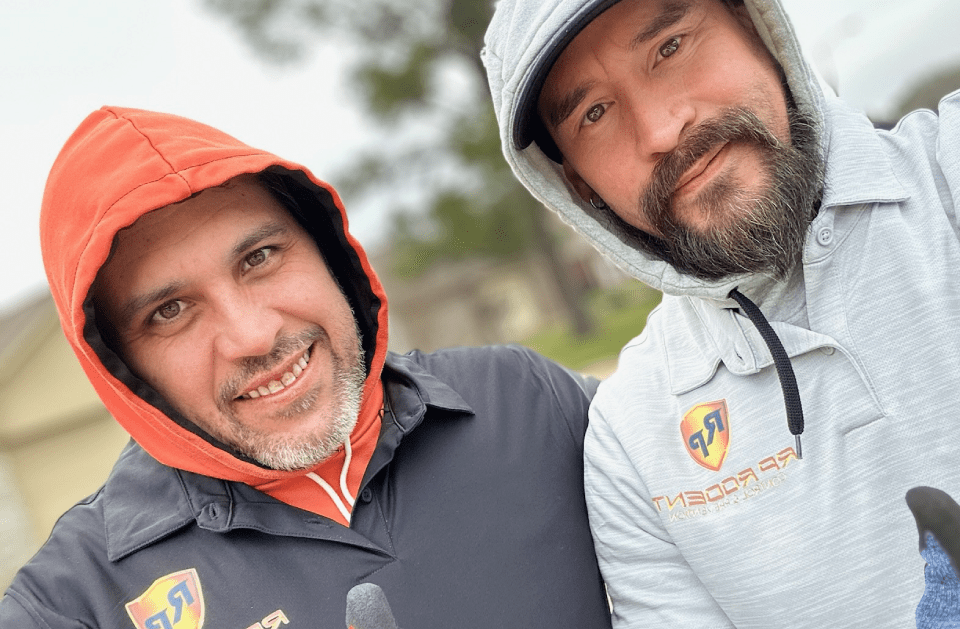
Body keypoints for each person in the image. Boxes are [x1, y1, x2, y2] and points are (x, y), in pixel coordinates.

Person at [0, 106, 614, 629]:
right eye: (171, 310)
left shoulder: (529, 403)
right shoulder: (75, 601)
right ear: (123, 367)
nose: (253, 334)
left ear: (327, 252)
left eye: (260, 257)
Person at [482, 0, 960, 626]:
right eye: (594, 113)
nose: (659, 130)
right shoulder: (630, 445)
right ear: (575, 184)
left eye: (671, 47)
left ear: (756, 25)